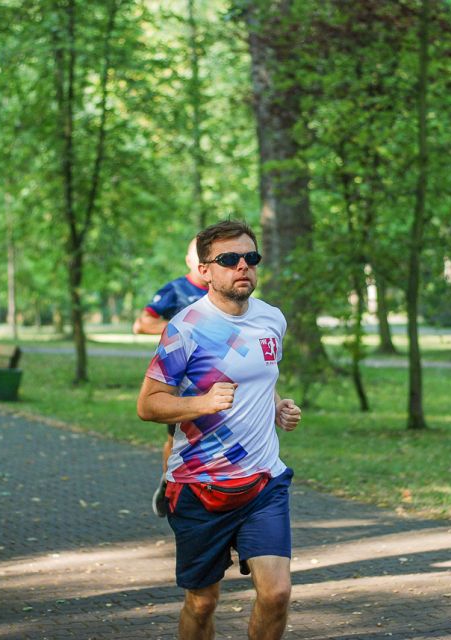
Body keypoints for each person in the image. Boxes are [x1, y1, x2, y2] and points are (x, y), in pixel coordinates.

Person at [137, 220, 302, 640]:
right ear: (206, 270)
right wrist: (201, 403)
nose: (242, 266)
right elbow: (148, 404)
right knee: (203, 602)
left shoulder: (271, 320)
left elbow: (262, 377)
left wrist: (277, 405)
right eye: (229, 259)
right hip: (200, 485)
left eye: (251, 258)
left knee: (277, 593)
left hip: (264, 481)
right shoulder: (186, 327)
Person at [132, 238, 208, 517]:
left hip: (219, 376)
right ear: (189, 260)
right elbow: (141, 324)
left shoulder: (223, 290)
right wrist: (179, 326)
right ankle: (170, 483)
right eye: (197, 255)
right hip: (181, 380)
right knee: (179, 436)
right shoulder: (176, 290)